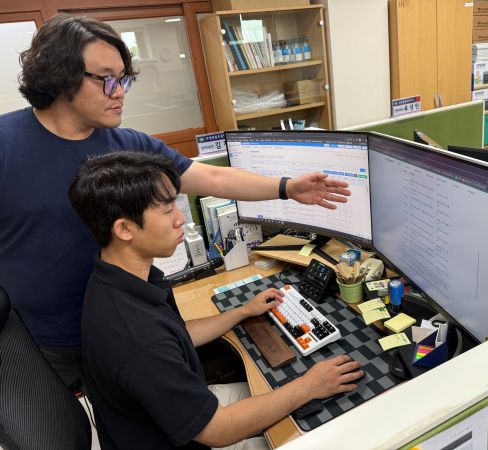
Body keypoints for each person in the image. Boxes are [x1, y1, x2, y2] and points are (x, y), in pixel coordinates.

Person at [0, 13, 350, 392]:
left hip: (126, 327)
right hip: (46, 340)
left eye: (124, 79)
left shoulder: (127, 146)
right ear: (60, 75)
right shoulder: (6, 145)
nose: (119, 92)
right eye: (106, 79)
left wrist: (287, 187)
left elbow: (212, 178)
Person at [67, 150, 363, 450]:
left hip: (175, 412)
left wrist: (242, 311)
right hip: (198, 434)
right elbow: (218, 430)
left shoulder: (117, 278)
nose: (181, 219)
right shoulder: (137, 337)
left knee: (284, 391)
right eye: (167, 210)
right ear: (124, 229)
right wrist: (308, 386)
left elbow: (177, 334)